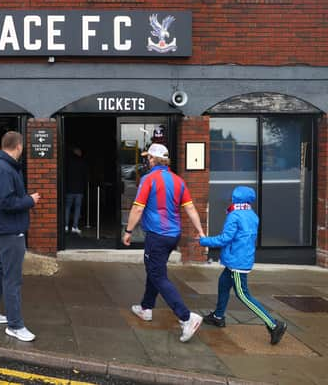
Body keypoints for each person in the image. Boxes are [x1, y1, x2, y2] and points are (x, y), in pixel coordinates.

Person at [123, 143, 205, 343]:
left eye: (148, 158)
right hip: (172, 235)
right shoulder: (178, 181)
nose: (147, 161)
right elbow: (191, 209)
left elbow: (137, 208)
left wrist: (128, 231)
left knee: (157, 274)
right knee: (155, 269)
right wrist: (201, 230)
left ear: (153, 159)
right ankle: (146, 307)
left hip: (157, 236)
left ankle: (186, 317)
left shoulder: (148, 179)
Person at [199, 186, 287, 345]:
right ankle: (218, 317)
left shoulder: (235, 215)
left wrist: (205, 241)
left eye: (233, 197)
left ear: (237, 199)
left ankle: (274, 324)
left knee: (243, 295)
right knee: (223, 284)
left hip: (236, 262)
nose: (231, 199)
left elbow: (225, 239)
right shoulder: (252, 215)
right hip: (242, 258)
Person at [0, 131, 40, 342]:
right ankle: (15, 325)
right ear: (19, 146)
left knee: (1, 271)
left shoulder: (0, 166)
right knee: (13, 279)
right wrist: (30, 200)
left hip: (6, 229)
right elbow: (6, 202)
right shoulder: (4, 169)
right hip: (10, 231)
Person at [65, 146, 88, 234]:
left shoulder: (68, 162)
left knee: (67, 207)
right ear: (78, 152)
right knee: (77, 208)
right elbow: (85, 175)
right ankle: (74, 227)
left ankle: (66, 226)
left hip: (69, 189)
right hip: (79, 189)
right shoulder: (82, 162)